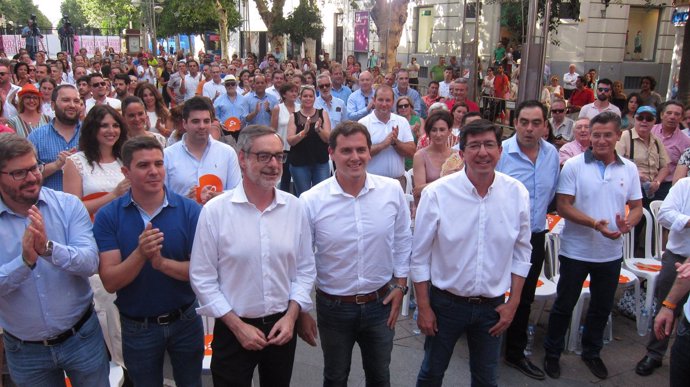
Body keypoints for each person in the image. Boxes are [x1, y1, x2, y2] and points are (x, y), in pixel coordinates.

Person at [189, 125, 316, 386]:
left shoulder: (294, 207)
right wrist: (237, 326)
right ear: (242, 159)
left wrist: (292, 316)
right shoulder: (215, 212)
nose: (273, 164)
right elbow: (202, 277)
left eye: (279, 156)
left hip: (282, 328)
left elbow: (305, 269)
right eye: (263, 156)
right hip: (233, 328)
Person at [410, 119, 532, 386]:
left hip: (493, 306)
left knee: (486, 378)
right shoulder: (437, 194)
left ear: (500, 151)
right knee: (431, 372)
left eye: (489, 145)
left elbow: (523, 253)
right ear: (461, 153)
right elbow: (419, 256)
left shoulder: (516, 193)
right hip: (445, 305)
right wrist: (423, 306)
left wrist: (513, 304)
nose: (482, 152)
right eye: (474, 146)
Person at [296, 121, 412, 386]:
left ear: (370, 152)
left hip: (381, 304)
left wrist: (401, 284)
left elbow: (404, 239)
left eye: (361, 150)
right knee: (335, 378)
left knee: (380, 377)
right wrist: (302, 309)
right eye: (346, 151)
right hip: (334, 308)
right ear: (331, 153)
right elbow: (301, 260)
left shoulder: (391, 190)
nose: (355, 157)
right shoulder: (312, 200)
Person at [93, 136, 204, 386]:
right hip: (137, 326)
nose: (154, 171)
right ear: (126, 172)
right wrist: (140, 254)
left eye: (159, 164)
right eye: (143, 165)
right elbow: (110, 282)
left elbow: (203, 272)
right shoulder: (108, 216)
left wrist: (162, 263)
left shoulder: (190, 210)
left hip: (186, 320)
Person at [0, 133, 110, 386]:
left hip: (81, 338)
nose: (31, 177)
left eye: (34, 168)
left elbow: (90, 263)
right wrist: (24, 263)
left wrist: (49, 250)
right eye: (19, 173)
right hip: (25, 351)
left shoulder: (68, 206)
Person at [543, 112, 643, 380]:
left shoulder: (629, 169)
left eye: (607, 135)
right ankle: (552, 353)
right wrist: (593, 223)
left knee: (601, 306)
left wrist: (627, 225)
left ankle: (592, 352)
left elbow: (637, 207)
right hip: (576, 250)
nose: (600, 140)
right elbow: (563, 206)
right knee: (564, 304)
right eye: (596, 135)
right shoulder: (574, 165)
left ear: (617, 136)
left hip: (610, 253)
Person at [496, 101, 560, 381]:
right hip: (500, 236)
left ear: (545, 126)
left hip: (534, 236)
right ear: (515, 122)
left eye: (536, 123)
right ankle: (485, 343)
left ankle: (515, 351)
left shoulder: (552, 155)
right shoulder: (502, 153)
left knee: (524, 296)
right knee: (492, 291)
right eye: (524, 122)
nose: (530, 128)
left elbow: (551, 194)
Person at [164, 96, 241, 201]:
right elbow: (162, 198)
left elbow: (236, 192)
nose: (202, 126)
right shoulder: (167, 155)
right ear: (184, 123)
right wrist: (186, 201)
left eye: (206, 121)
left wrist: (219, 197)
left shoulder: (227, 153)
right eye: (195, 121)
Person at [650, 180, 690, 385]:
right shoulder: (684, 186)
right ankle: (654, 354)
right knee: (665, 306)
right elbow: (663, 215)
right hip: (677, 256)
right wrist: (688, 221)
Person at [358, 85, 415, 187]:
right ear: (374, 100)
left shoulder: (402, 121)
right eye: (380, 100)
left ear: (393, 102)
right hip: (372, 183)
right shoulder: (363, 123)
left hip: (398, 182)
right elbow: (359, 154)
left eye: (388, 100)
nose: (384, 104)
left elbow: (412, 152)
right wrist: (383, 145)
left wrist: (395, 142)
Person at [27, 85, 81, 191]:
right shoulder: (36, 136)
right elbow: (26, 174)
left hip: (86, 204)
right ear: (52, 105)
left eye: (76, 101)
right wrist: (56, 165)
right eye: (66, 100)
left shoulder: (91, 133)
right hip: (50, 204)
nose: (72, 105)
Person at [616, 105, 669, 206]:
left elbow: (665, 167)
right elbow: (614, 161)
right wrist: (635, 174)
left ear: (654, 121)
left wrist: (657, 182)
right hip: (630, 189)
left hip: (652, 189)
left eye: (649, 119)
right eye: (640, 118)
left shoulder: (657, 140)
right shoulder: (625, 136)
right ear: (635, 119)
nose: (644, 121)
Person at [286, 86, 332, 196]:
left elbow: (328, 138)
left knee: (321, 195)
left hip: (320, 161)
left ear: (314, 98)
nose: (308, 98)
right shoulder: (294, 116)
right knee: (303, 195)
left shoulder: (322, 114)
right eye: (305, 96)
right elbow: (290, 141)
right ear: (300, 98)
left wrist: (318, 130)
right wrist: (304, 132)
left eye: (310, 96)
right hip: (300, 163)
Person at [651, 100, 690, 201]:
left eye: (677, 114)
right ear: (661, 115)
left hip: (666, 187)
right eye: (669, 113)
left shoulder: (685, 141)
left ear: (681, 118)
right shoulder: (649, 131)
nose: (672, 117)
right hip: (643, 183)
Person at [412, 110, 454, 203]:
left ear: (449, 131)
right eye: (434, 130)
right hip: (429, 204)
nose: (438, 134)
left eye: (442, 130)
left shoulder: (457, 156)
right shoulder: (420, 156)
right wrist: (446, 180)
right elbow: (418, 190)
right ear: (428, 133)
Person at [214, 74, 246, 140]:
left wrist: (243, 122)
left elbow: (246, 114)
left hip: (240, 130)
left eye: (232, 84)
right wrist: (220, 124)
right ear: (225, 86)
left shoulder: (243, 99)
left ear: (236, 85)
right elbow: (215, 115)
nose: (230, 86)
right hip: (225, 131)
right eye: (228, 84)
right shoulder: (218, 100)